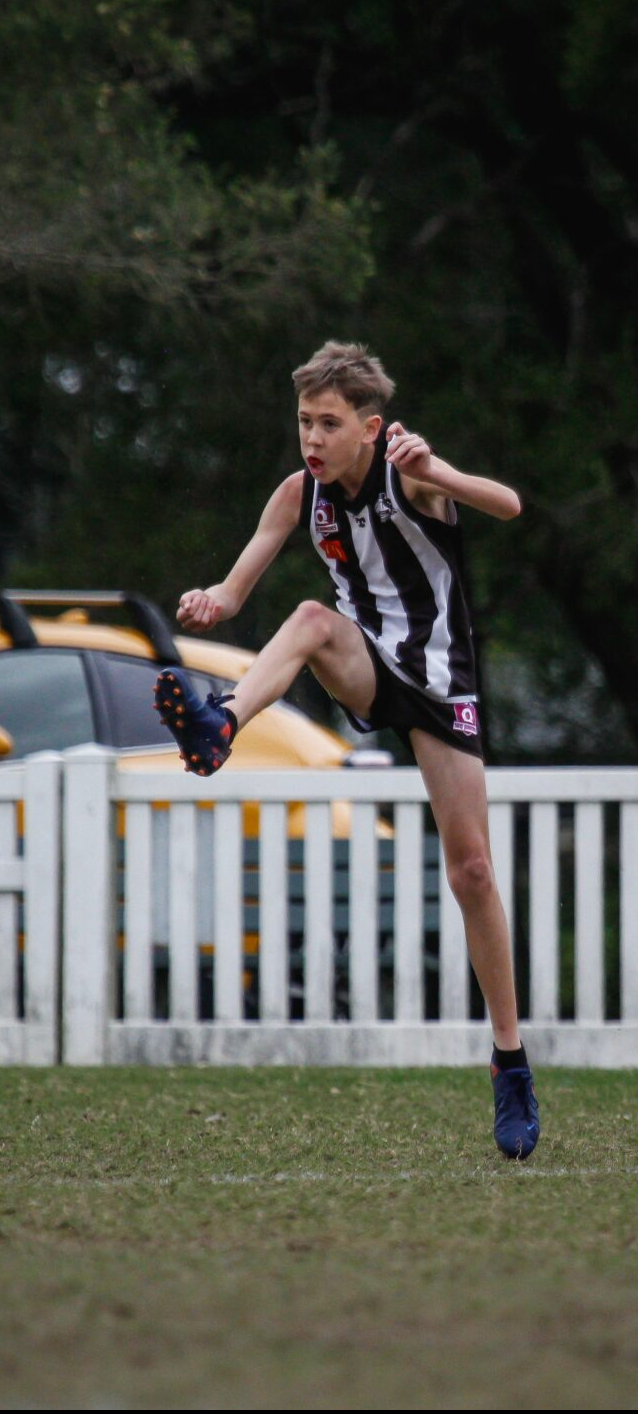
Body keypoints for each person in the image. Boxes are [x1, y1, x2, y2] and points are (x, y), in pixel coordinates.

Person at [154, 340, 539, 1160]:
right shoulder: (300, 494)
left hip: (440, 679)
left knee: (472, 871)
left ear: (371, 427)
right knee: (308, 618)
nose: (312, 438)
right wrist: (210, 601)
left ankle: (510, 1062)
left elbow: (508, 505)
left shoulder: (411, 472)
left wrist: (440, 472)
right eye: (304, 421)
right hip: (363, 661)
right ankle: (221, 723)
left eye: (328, 424)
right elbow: (235, 588)